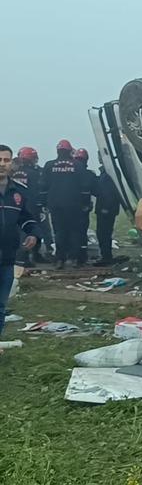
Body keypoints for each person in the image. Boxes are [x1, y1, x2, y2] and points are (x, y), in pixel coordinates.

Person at [0, 144, 39, 340]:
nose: (2, 164)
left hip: (7, 258)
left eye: (6, 160)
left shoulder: (18, 191)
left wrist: (32, 233)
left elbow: (26, 217)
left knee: (0, 305)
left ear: (11, 163)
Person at [41, 140, 86, 269]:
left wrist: (43, 203)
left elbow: (43, 186)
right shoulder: (77, 165)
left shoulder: (49, 165)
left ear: (58, 151)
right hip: (74, 204)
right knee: (74, 231)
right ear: (69, 151)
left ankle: (60, 259)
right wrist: (85, 203)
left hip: (55, 204)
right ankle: (73, 258)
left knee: (59, 231)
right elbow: (84, 187)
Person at [12, 147, 49, 265]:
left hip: (16, 204)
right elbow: (38, 190)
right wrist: (41, 204)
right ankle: (28, 257)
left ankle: (24, 256)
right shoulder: (34, 173)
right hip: (31, 205)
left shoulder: (14, 173)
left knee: (20, 230)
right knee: (34, 229)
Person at [92, 165, 121, 266]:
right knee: (104, 233)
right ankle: (106, 255)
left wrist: (106, 207)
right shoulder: (108, 173)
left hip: (106, 209)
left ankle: (106, 257)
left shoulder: (108, 175)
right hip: (108, 208)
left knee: (103, 233)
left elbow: (108, 192)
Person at [73, 149, 96, 266]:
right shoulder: (89, 175)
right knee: (81, 233)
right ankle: (81, 256)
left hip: (72, 209)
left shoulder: (70, 174)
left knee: (71, 231)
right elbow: (96, 191)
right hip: (83, 209)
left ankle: (72, 255)